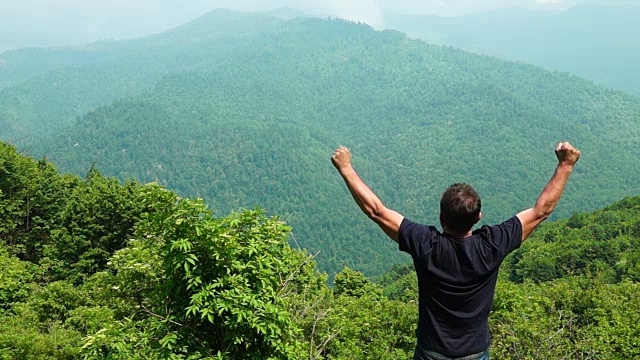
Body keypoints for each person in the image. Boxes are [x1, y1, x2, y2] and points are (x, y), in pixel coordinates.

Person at [331, 142, 581, 360]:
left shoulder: (425, 243)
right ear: (478, 217)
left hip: (432, 351)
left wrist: (346, 168)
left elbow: (376, 211)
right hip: (474, 351)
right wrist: (565, 166)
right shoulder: (493, 244)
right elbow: (541, 211)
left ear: (441, 217)